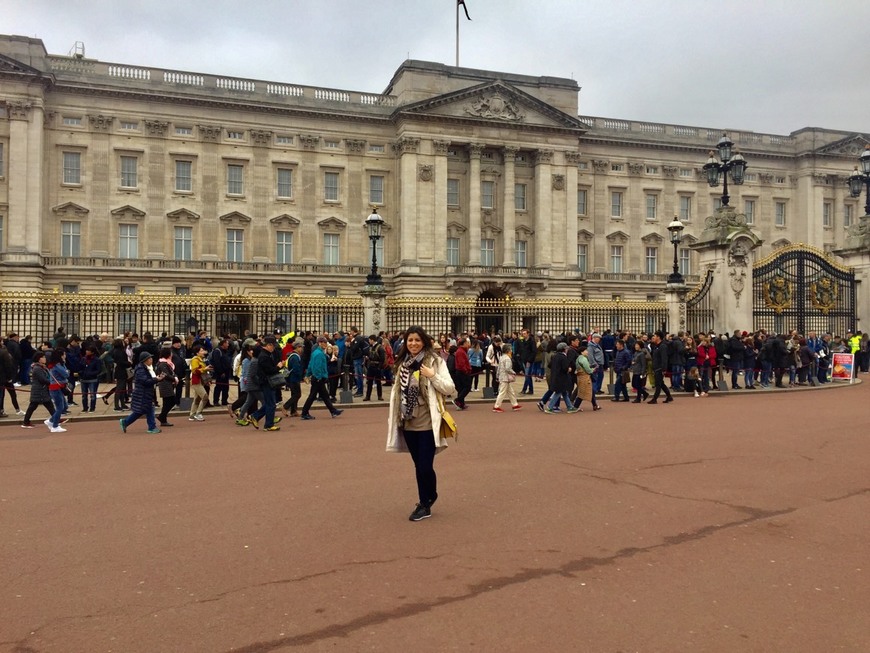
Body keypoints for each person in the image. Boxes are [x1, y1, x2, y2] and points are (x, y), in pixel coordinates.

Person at [386, 325, 456, 522]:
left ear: (424, 341)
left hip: (427, 421)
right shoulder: (403, 364)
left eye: (417, 340)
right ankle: (426, 498)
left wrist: (431, 375)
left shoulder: (435, 361)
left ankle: (426, 501)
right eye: (410, 340)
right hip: (407, 421)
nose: (413, 344)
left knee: (425, 466)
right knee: (419, 465)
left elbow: (450, 388)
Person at [120, 351, 165, 434]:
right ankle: (151, 427)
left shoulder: (146, 368)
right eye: (149, 358)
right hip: (142, 393)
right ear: (145, 360)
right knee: (143, 410)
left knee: (146, 409)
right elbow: (145, 381)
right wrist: (156, 379)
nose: (151, 360)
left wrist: (157, 379)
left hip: (145, 393)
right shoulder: (141, 369)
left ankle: (127, 422)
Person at [248, 336, 286, 431]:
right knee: (271, 404)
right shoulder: (264, 356)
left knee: (270, 403)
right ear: (268, 345)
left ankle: (255, 416)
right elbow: (269, 370)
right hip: (267, 382)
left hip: (267, 382)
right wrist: (278, 367)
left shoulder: (266, 354)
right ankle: (268, 424)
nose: (273, 348)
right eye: (273, 346)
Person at [300, 336, 343, 420]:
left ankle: (333, 411)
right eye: (324, 342)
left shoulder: (316, 352)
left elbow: (310, 365)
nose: (326, 344)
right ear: (320, 343)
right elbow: (317, 367)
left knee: (324, 396)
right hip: (318, 378)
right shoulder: (319, 354)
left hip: (317, 378)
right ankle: (304, 413)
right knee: (313, 396)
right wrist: (319, 377)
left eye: (326, 342)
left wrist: (308, 374)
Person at [21, 351, 57, 429]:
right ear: (39, 359)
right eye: (43, 357)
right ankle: (26, 422)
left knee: (48, 404)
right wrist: (52, 382)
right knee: (33, 406)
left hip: (42, 389)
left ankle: (55, 419)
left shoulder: (41, 367)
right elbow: (43, 379)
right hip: (39, 390)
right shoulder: (37, 368)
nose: (45, 359)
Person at [492, 343, 521, 412]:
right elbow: (507, 368)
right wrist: (513, 372)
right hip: (505, 378)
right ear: (508, 351)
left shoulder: (502, 357)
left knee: (511, 392)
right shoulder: (508, 358)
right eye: (511, 349)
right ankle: (496, 406)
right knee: (502, 392)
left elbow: (499, 368)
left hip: (502, 377)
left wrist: (497, 376)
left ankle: (515, 404)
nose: (511, 351)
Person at [46, 349, 70, 432]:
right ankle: (55, 426)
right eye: (64, 354)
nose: (65, 356)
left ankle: (51, 421)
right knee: (60, 407)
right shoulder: (57, 365)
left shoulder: (57, 365)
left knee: (64, 406)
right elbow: (66, 374)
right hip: (56, 388)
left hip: (58, 387)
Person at [573, 343, 601, 411]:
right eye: (586, 350)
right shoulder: (584, 359)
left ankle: (594, 405)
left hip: (581, 377)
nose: (587, 352)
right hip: (585, 377)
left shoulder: (579, 358)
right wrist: (593, 369)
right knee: (583, 392)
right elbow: (588, 370)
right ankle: (575, 406)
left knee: (589, 391)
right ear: (582, 352)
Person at [647, 331, 673, 404]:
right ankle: (669, 396)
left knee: (658, 384)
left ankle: (654, 399)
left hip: (660, 368)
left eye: (654, 336)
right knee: (661, 383)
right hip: (656, 367)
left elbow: (664, 358)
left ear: (658, 337)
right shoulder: (656, 346)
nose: (653, 338)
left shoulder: (663, 346)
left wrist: (664, 369)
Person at [281, 338, 304, 418]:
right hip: (294, 378)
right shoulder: (295, 357)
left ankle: (293, 411)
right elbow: (296, 369)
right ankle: (286, 406)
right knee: (297, 394)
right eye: (301, 347)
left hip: (291, 378)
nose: (302, 349)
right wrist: (301, 377)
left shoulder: (292, 355)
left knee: (294, 394)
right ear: (297, 347)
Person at [188, 345, 212, 422]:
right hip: (196, 381)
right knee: (205, 397)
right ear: (197, 352)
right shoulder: (195, 360)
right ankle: (198, 413)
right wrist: (205, 368)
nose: (203, 352)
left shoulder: (200, 359)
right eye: (201, 351)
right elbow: (195, 371)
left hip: (200, 381)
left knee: (197, 399)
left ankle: (192, 415)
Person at [155, 347, 177, 426]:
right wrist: (174, 379)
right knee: (172, 400)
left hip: (167, 384)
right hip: (165, 385)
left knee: (166, 402)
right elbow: (166, 375)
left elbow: (171, 372)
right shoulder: (163, 364)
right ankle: (162, 416)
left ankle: (163, 419)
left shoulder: (166, 363)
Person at [79, 345, 103, 412]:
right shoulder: (83, 359)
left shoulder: (97, 360)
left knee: (92, 394)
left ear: (92, 352)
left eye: (88, 350)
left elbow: (98, 370)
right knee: (84, 395)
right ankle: (85, 407)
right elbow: (80, 367)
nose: (87, 351)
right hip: (83, 379)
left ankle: (92, 408)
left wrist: (91, 373)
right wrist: (81, 373)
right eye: (86, 350)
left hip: (92, 379)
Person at [363, 335, 385, 402]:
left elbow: (382, 359)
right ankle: (368, 396)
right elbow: (370, 356)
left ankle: (380, 396)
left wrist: (379, 367)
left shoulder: (380, 347)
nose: (369, 341)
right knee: (369, 382)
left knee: (378, 382)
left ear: (372, 340)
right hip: (371, 366)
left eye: (369, 340)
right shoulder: (370, 347)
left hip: (377, 366)